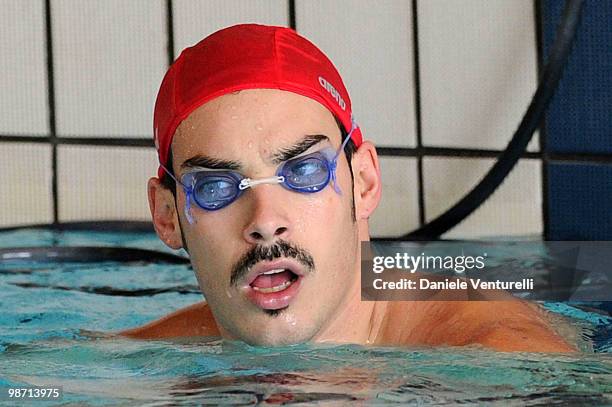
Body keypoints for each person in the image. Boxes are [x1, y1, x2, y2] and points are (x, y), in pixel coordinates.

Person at [120, 24, 573, 352]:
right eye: (217, 186)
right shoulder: (142, 359)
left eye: (304, 172)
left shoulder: (505, 358)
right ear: (167, 215)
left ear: (365, 183)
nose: (265, 222)